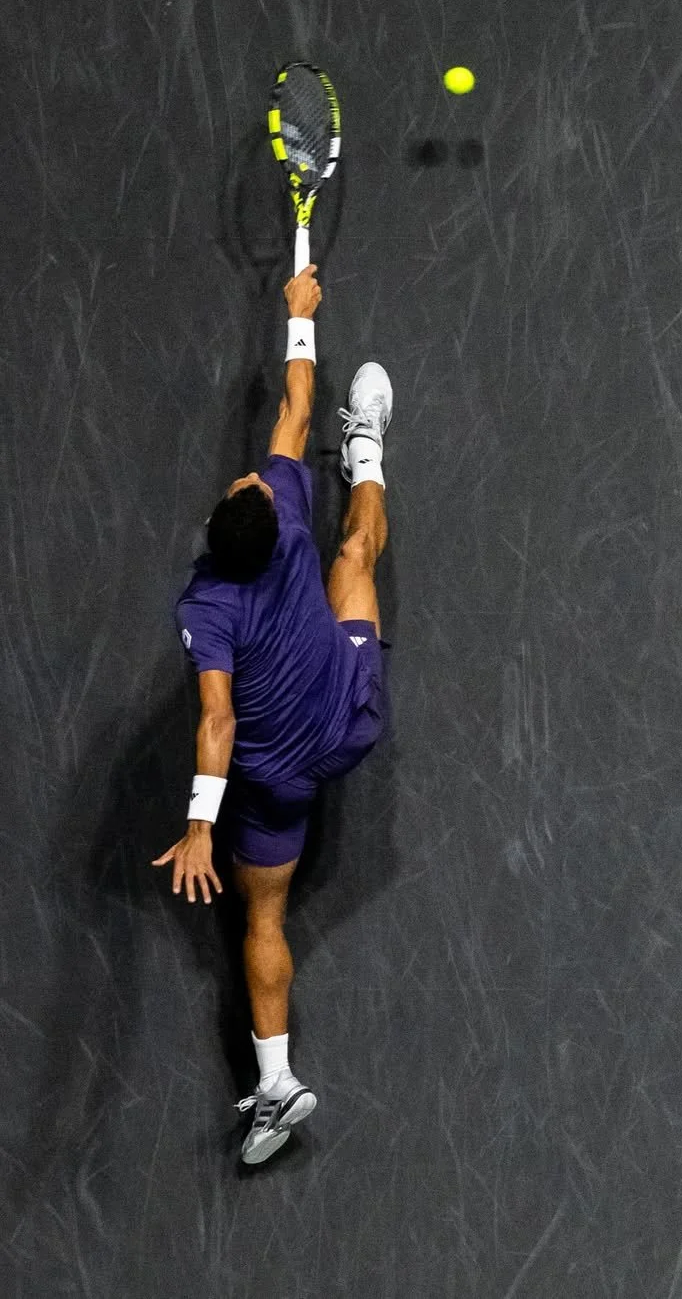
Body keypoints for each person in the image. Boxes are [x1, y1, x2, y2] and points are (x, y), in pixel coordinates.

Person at [152, 265, 393, 1165]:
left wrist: (201, 825)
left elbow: (216, 719)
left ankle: (275, 1083)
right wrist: (300, 317)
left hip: (274, 782)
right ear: (258, 510)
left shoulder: (205, 604)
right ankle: (366, 451)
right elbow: (295, 403)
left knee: (263, 921)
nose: (255, 476)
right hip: (341, 717)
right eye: (254, 483)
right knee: (359, 549)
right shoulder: (288, 514)